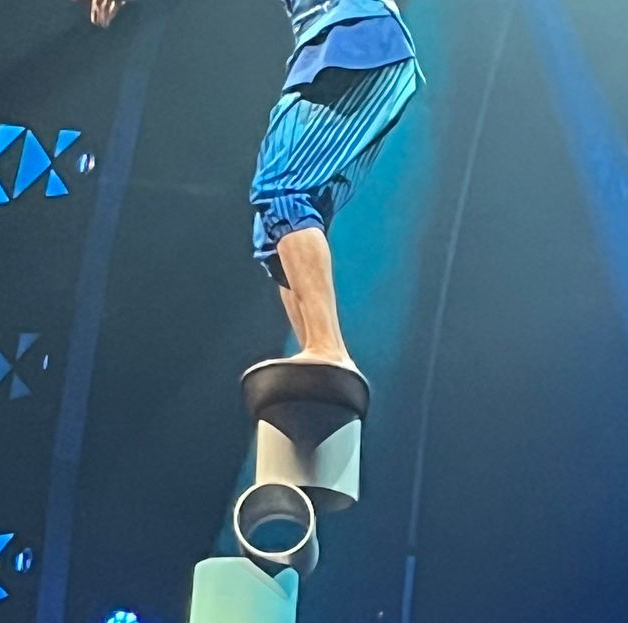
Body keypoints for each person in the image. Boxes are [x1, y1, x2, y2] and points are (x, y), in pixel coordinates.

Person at [81, 0, 424, 373]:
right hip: (358, 49)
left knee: (282, 192)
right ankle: (319, 365)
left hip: (353, 39)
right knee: (272, 232)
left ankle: (328, 346)